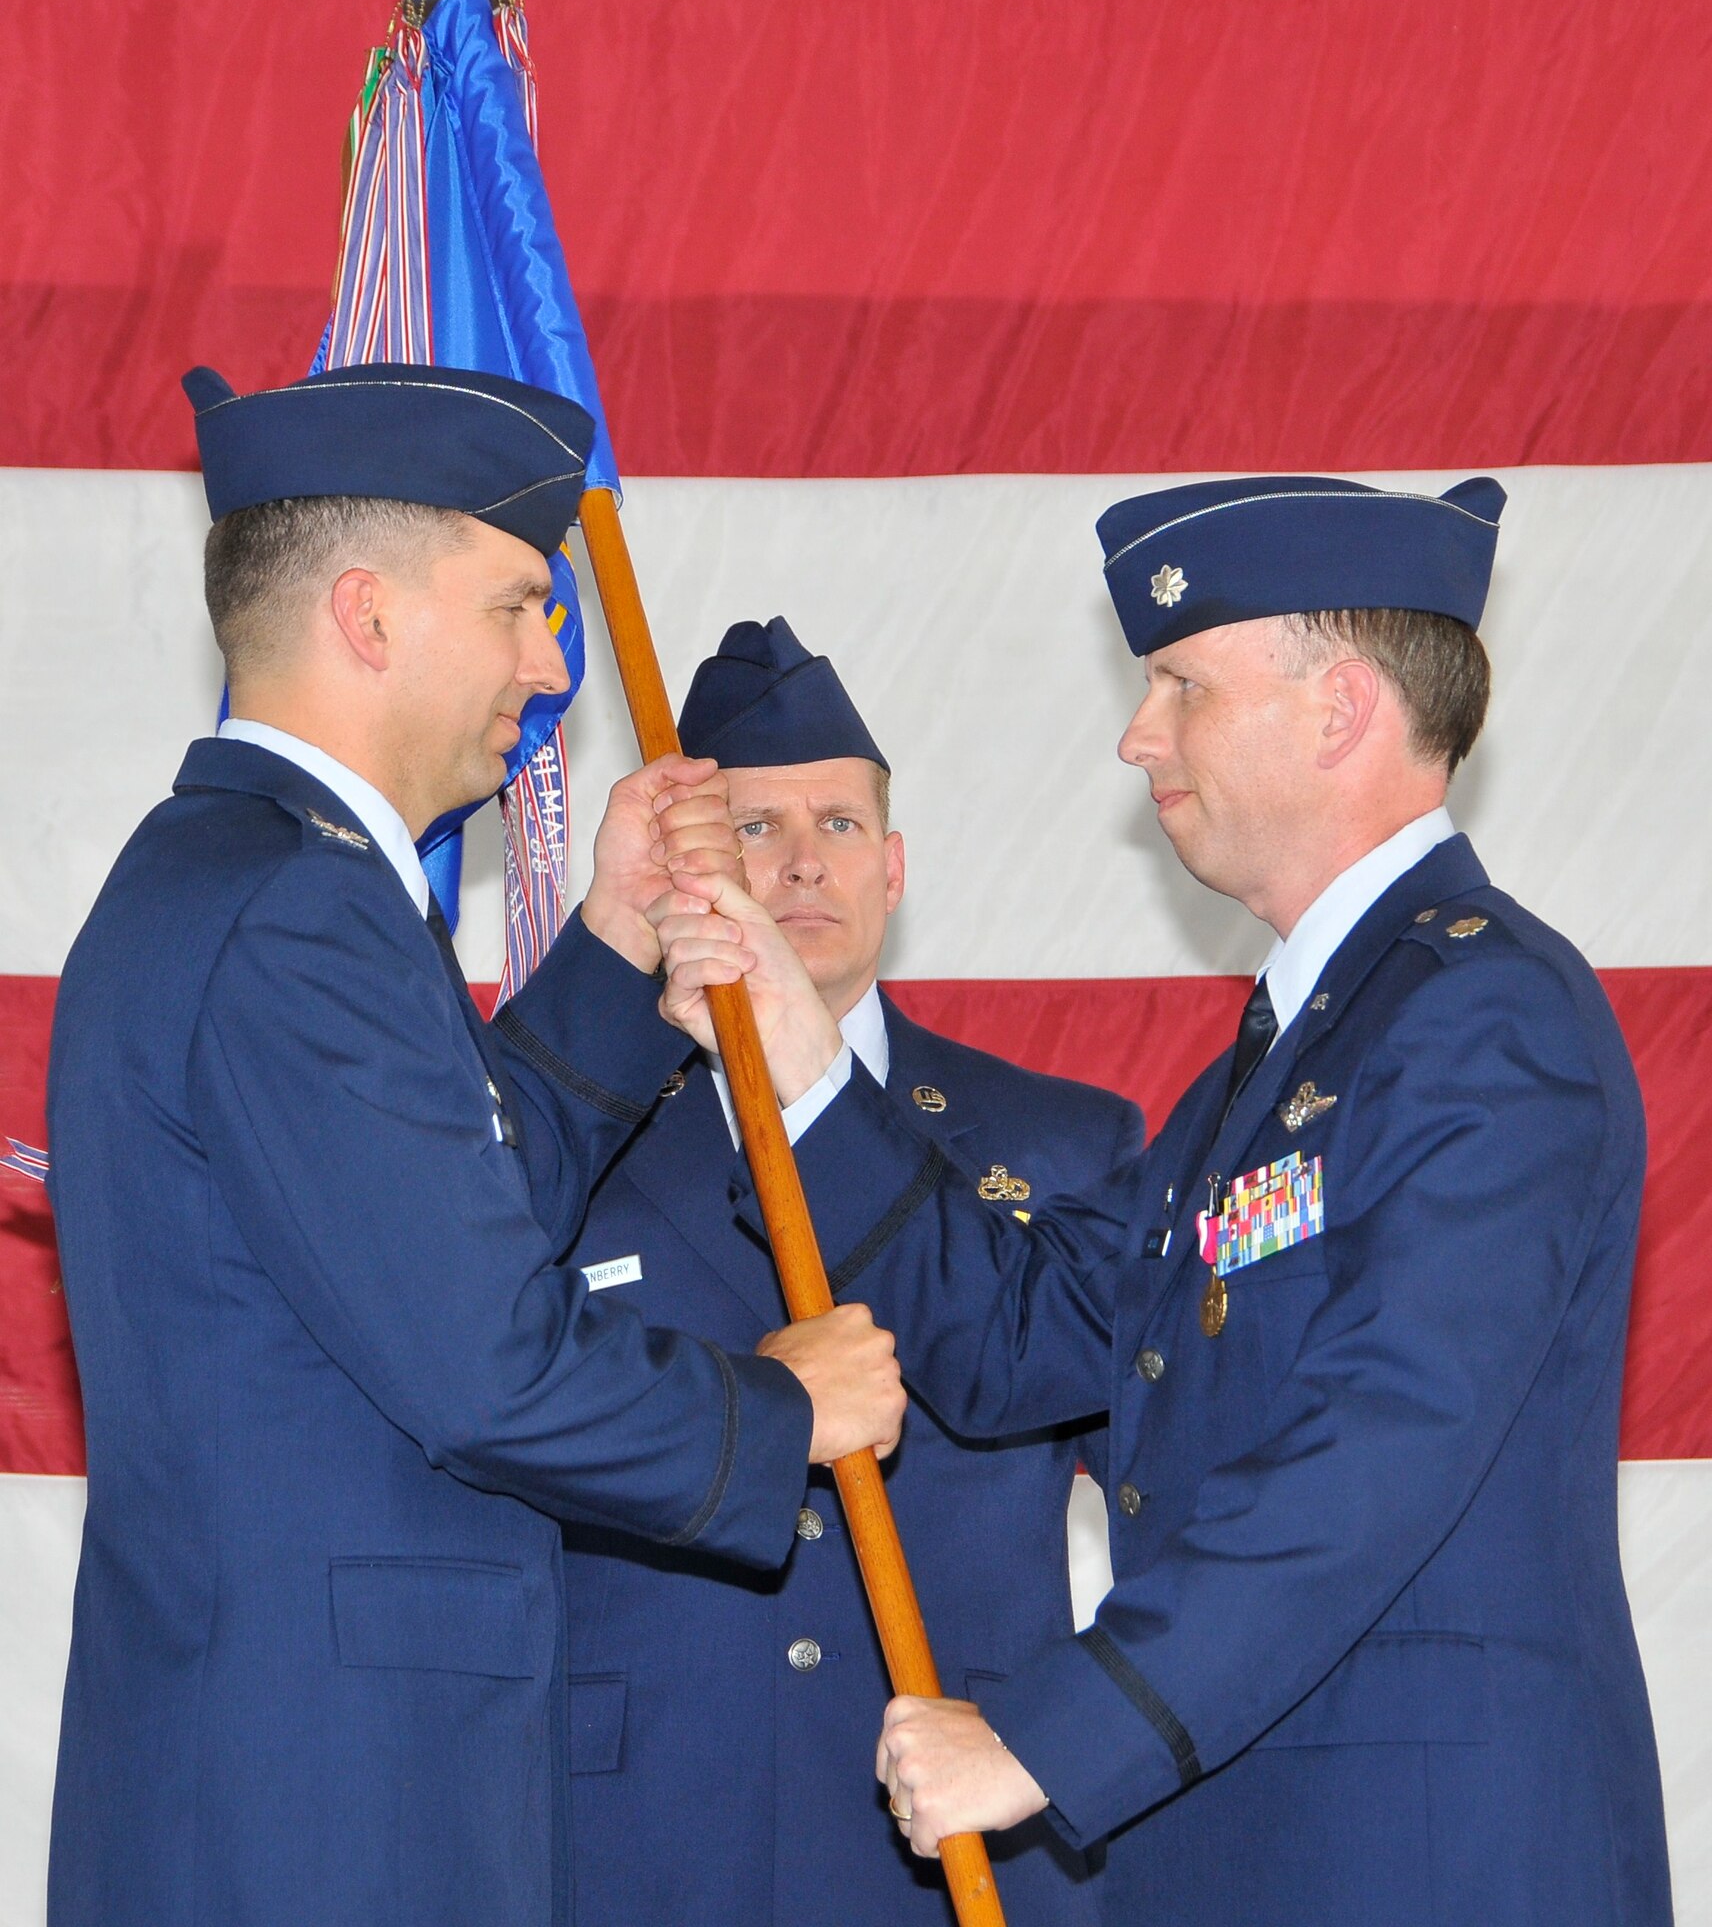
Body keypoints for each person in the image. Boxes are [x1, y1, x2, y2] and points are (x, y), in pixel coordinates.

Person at [655, 477, 1673, 1925]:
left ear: (1339, 710)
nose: (1138, 735)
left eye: (1181, 684)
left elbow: (1381, 1445)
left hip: (1423, 1862)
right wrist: (803, 1057)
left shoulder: (1483, 1017)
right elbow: (1023, 1334)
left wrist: (1048, 1734)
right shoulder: (1283, 1062)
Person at [43, 362, 905, 1927]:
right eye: (517, 605)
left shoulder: (243, 877)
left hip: (291, 1781)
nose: (551, 659)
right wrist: (783, 1407)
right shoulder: (299, 909)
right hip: (331, 1813)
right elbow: (487, 1366)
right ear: (368, 616)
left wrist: (613, 943)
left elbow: (437, 1232)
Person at [558, 617, 1142, 1927]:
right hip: (641, 1836)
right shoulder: (572, 1135)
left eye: (837, 822)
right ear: (681, 871)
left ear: (894, 865)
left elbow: (1174, 1501)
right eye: (753, 828)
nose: (802, 861)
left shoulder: (1059, 1144)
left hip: (961, 1841)